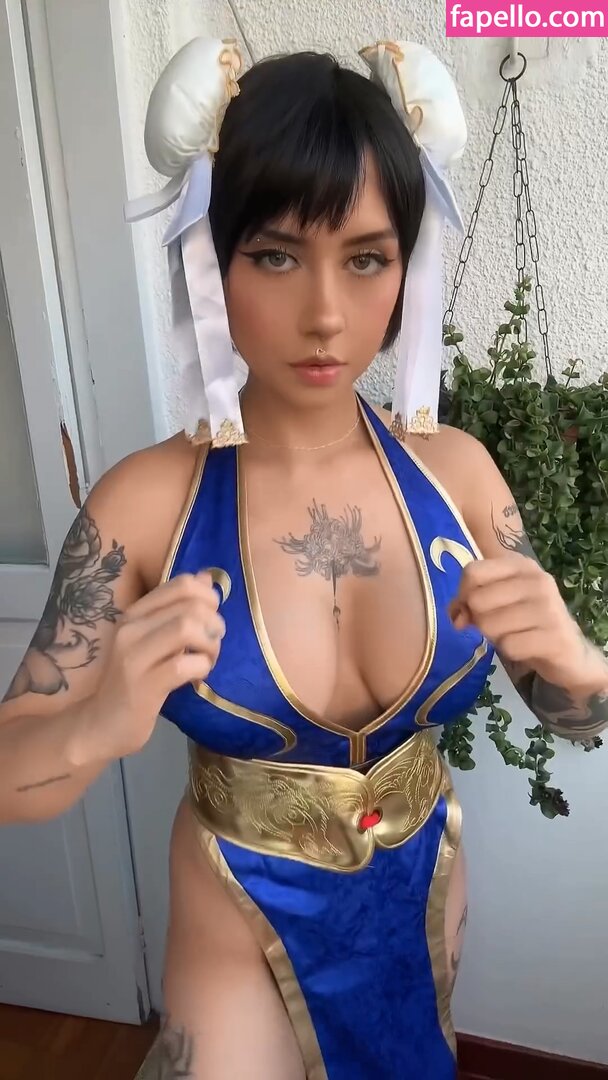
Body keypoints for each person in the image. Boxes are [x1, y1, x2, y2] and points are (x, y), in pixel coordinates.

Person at [1, 38, 607, 1080]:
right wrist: (100, 720)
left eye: (366, 258)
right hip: (235, 919)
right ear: (210, 258)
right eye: (276, 255)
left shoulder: (458, 477)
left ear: (404, 267)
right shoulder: (145, 506)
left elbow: (575, 715)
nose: (325, 314)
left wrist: (579, 661)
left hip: (418, 890)